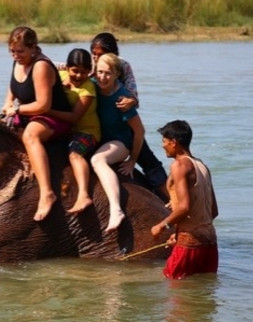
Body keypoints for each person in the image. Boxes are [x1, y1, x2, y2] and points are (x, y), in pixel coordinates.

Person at [1, 26, 72, 222]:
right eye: (12, 51)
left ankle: (47, 192)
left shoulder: (41, 66)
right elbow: (13, 87)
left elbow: (43, 105)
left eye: (20, 51)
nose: (15, 55)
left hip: (53, 117)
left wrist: (17, 110)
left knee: (30, 135)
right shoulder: (18, 62)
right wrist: (8, 102)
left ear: (33, 47)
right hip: (27, 114)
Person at [90, 32, 169, 200]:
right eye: (94, 54)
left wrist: (130, 101)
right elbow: (65, 67)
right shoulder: (91, 64)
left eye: (101, 54)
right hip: (101, 120)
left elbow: (133, 92)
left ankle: (171, 197)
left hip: (123, 118)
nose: (97, 58)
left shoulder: (123, 65)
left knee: (146, 158)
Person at [151, 120, 218, 279]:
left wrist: (161, 226)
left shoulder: (179, 165)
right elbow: (213, 211)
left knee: (174, 292)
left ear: (174, 142)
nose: (163, 146)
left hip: (189, 244)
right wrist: (178, 233)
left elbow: (184, 208)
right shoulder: (201, 166)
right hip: (210, 244)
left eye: (164, 141)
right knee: (203, 298)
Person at [90, 53, 145, 233]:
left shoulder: (122, 99)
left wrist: (132, 161)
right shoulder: (93, 87)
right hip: (98, 138)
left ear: (116, 75)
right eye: (100, 72)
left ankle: (116, 209)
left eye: (108, 73)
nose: (103, 77)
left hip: (119, 143)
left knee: (98, 161)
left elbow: (139, 131)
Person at [47, 48, 100, 215]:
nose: (79, 76)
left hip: (87, 131)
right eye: (75, 71)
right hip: (65, 129)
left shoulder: (88, 88)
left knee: (74, 154)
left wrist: (46, 110)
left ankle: (84, 195)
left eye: (84, 73)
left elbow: (74, 117)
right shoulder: (60, 76)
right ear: (67, 67)